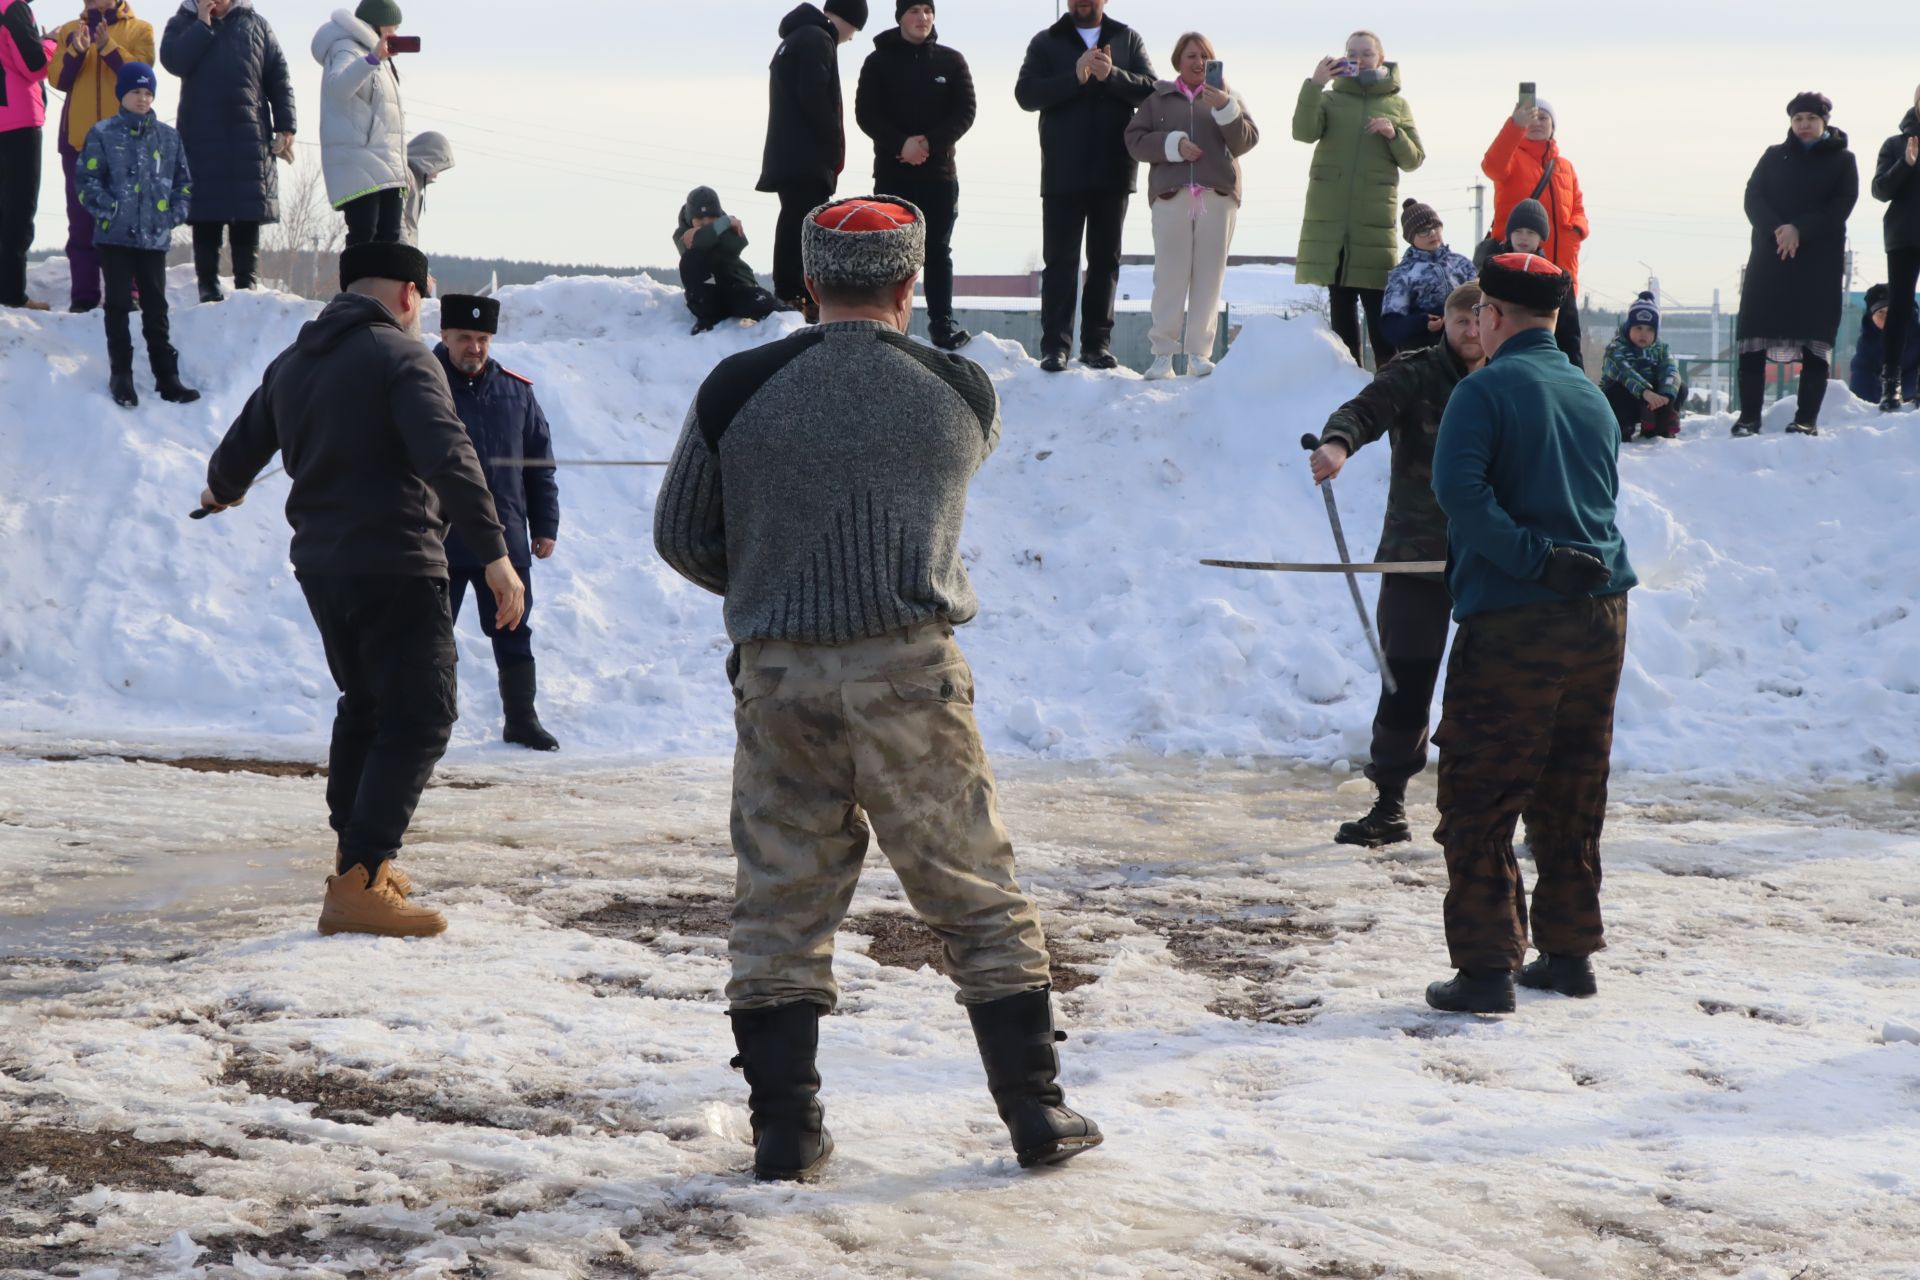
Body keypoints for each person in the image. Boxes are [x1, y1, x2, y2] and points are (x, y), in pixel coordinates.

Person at [654, 196, 1102, 1180]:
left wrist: (776, 577)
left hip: (779, 677)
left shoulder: (737, 386)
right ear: (908, 282)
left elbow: (682, 534)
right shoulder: (960, 390)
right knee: (974, 890)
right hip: (909, 669)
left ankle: (787, 1129)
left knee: (778, 899)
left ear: (809, 283)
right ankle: (1035, 1110)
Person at [199, 241, 525, 940]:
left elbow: (237, 452)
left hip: (323, 567)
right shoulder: (401, 358)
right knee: (422, 715)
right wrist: (495, 554)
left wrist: (220, 490)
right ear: (409, 295)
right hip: (398, 563)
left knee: (368, 706)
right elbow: (449, 454)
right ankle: (360, 880)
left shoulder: (295, 361)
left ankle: (357, 866)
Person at [1425, 252, 1636, 1015]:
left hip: (1518, 615)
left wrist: (1531, 559)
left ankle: (1485, 971)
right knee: (1574, 782)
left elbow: (1459, 494)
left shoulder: (1482, 390)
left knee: (1481, 791)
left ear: (1493, 317)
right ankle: (1569, 951)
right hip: (1603, 611)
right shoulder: (1591, 394)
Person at [1310, 283, 1486, 849]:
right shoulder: (1415, 373)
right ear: (1446, 323)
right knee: (1407, 680)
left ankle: (1491, 808)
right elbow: (1364, 410)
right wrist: (1337, 445)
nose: (1471, 332)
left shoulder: (1508, 380)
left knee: (1492, 683)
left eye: (1479, 321)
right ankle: (1388, 804)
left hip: (1491, 557)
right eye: (1462, 321)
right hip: (1416, 555)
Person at [435, 294, 562, 753]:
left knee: (514, 631)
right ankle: (431, 723)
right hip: (436, 543)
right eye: (465, 337)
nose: (474, 347)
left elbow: (538, 466)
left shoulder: (516, 391)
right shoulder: (419, 385)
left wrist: (545, 525)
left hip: (504, 544)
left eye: (483, 338)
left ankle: (521, 720)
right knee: (431, 640)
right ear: (444, 336)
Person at [1015, 0, 1155, 373]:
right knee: (1060, 261)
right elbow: (1026, 94)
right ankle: (1055, 347)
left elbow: (1151, 91)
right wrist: (1074, 78)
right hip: (1063, 170)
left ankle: (1097, 344)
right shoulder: (1046, 42)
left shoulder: (1126, 39)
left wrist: (1112, 75)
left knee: (1104, 260)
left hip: (1113, 168)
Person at [1124, 30, 1258, 381]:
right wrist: (1173, 145)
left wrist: (1224, 107)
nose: (1198, 62)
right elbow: (1134, 141)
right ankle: (1162, 355)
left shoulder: (1228, 97)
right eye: (1191, 56)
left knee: (1209, 277)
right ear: (1178, 63)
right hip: (1172, 196)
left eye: (1204, 56)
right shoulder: (1158, 98)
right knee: (1169, 275)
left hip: (1217, 196)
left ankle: (1200, 353)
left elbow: (1246, 141)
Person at [1292, 30, 1424, 369]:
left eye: (1367, 52)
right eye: (1353, 52)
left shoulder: (1397, 104)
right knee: (1340, 297)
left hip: (1374, 220)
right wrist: (1314, 84)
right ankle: (1347, 375)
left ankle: (1387, 375)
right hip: (1332, 218)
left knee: (1378, 299)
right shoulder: (1331, 98)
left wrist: (1393, 134)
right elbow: (1303, 132)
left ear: (1380, 58)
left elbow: (1414, 159)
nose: (1360, 58)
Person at [1733, 93, 1857, 438]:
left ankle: (1806, 419)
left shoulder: (1843, 161)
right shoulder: (1774, 156)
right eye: (1798, 118)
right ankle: (1748, 417)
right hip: (1770, 259)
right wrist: (1779, 229)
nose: (1804, 124)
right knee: (1754, 335)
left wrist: (1800, 228)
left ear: (1824, 123)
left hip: (1817, 263)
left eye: (1811, 119)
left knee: (1814, 339)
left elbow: (1842, 205)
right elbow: (1752, 196)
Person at [854, 0, 976, 351]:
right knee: (891, 252)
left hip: (939, 173)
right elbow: (866, 113)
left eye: (927, 10)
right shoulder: (878, 62)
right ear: (900, 17)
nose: (922, 18)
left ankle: (942, 323)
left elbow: (965, 111)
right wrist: (901, 144)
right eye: (913, 11)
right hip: (894, 174)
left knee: (937, 250)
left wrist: (929, 144)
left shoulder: (951, 61)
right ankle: (888, 323)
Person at [76, 60, 198, 408]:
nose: (142, 98)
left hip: (153, 238)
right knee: (117, 304)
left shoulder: (168, 137)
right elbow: (86, 181)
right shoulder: (101, 134)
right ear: (122, 95)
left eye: (148, 92)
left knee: (156, 306)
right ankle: (122, 375)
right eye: (135, 91)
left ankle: (167, 377)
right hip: (114, 237)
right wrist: (109, 210)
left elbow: (183, 184)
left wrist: (172, 215)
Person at [160, 0, 296, 304]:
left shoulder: (256, 25)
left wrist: (286, 127)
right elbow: (174, 61)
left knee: (246, 211)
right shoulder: (182, 23)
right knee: (205, 212)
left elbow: (278, 77)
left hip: (248, 133)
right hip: (200, 133)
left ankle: (247, 284)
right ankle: (207, 284)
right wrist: (202, 25)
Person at [757, 0, 867, 321]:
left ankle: (793, 290)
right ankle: (794, 294)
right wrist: (832, 143)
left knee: (794, 219)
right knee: (804, 223)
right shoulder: (817, 39)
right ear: (845, 20)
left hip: (788, 152)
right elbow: (815, 97)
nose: (850, 38)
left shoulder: (795, 38)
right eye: (854, 30)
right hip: (806, 154)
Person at [48, 0, 156, 314]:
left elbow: (143, 76)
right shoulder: (70, 30)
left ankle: (127, 294)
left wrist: (108, 47)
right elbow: (56, 79)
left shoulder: (140, 29)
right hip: (79, 142)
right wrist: (76, 52)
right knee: (81, 224)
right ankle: (84, 296)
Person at [1482, 97, 1589, 368]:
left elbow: (1578, 207)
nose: (1538, 122)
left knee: (1566, 343)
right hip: (1517, 268)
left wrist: (1575, 231)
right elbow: (1491, 165)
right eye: (1533, 116)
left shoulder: (1565, 166)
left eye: (1544, 117)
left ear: (1554, 126)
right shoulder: (1511, 155)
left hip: (1559, 271)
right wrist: (1513, 126)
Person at [312, 0, 407, 248]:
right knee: (364, 237)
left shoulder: (378, 56)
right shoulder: (347, 48)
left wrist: (378, 58)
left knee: (389, 238)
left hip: (384, 160)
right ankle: (357, 286)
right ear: (375, 25)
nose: (394, 35)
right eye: (391, 29)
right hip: (360, 159)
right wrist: (373, 59)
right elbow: (338, 88)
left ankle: (379, 287)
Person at [1868, 88, 1920, 411]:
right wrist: (1907, 163)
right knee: (1899, 309)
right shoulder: (1895, 143)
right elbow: (1879, 190)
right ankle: (1892, 384)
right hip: (1905, 236)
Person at [0, 0, 54, 311]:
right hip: (18, 119)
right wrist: (50, 43)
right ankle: (11, 294)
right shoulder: (14, 8)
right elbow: (34, 65)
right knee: (19, 211)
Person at [675, 186, 783, 335]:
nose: (706, 222)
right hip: (707, 298)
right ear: (689, 218)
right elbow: (694, 244)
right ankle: (708, 318)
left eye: (712, 217)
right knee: (690, 259)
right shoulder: (681, 234)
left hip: (736, 288)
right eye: (700, 218)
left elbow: (734, 244)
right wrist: (722, 224)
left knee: (760, 303)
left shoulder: (730, 227)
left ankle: (786, 315)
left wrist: (716, 227)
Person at [1380, 197, 1475, 355]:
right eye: (1423, 231)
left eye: (1436, 228)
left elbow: (1483, 299)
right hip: (1426, 346)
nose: (1432, 234)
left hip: (1468, 335)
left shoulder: (1462, 263)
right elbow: (1391, 326)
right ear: (1411, 238)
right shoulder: (1403, 274)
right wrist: (1422, 323)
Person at [1600, 292, 1682, 442]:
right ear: (1629, 327)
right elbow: (1624, 372)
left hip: (1651, 402)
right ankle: (1623, 427)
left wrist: (1666, 395)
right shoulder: (1615, 348)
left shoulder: (1661, 349)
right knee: (1617, 390)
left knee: (1678, 386)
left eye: (1650, 329)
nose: (1643, 334)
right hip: (1625, 401)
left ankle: (1660, 424)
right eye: (1638, 327)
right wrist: (1645, 391)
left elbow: (1670, 369)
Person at [1848, 282, 1920, 404]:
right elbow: (1861, 372)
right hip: (1881, 397)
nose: (1888, 318)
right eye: (1880, 312)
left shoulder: (1916, 335)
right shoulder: (1868, 341)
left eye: (1893, 311)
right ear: (1871, 318)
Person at [399, 128, 450, 246]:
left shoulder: (413, 183)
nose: (437, 175)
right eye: (438, 167)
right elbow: (398, 214)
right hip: (399, 253)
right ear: (428, 160)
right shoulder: (406, 178)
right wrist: (405, 250)